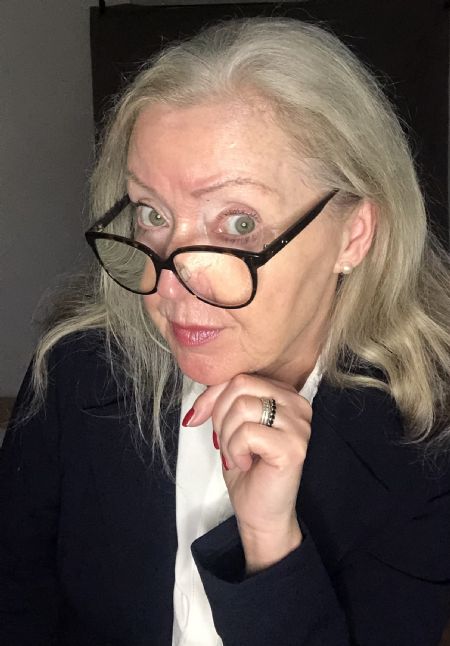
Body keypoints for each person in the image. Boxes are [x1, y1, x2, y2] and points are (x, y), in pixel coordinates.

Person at [1, 16, 450, 646]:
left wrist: (270, 545)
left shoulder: (425, 439)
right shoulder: (75, 371)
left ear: (353, 235)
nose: (170, 283)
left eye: (239, 224)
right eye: (152, 214)